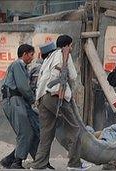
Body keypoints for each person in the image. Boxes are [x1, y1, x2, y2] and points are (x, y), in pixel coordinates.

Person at [31, 35, 82, 170]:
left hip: (42, 98)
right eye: (71, 45)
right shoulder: (64, 55)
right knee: (75, 128)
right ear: (66, 45)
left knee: (46, 133)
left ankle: (38, 164)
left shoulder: (48, 58)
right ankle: (74, 163)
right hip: (56, 96)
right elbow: (73, 76)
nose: (71, 48)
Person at [0, 44, 40, 169]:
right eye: (31, 54)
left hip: (18, 101)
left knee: (32, 131)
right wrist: (33, 100)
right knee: (25, 131)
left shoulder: (23, 67)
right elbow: (23, 87)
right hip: (14, 100)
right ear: (24, 54)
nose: (32, 57)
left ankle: (10, 160)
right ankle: (17, 162)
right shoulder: (18, 65)